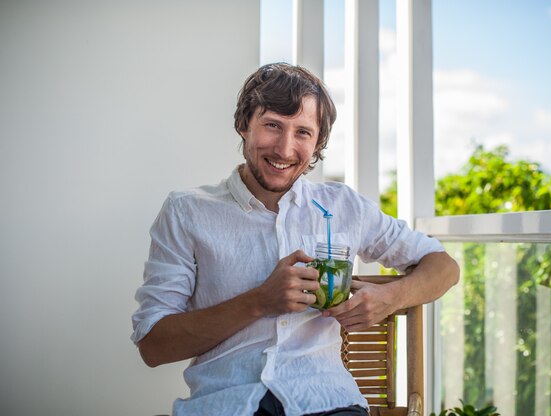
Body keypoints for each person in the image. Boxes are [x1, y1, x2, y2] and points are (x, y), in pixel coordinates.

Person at [131, 62, 460, 416]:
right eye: (272, 125)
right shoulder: (186, 212)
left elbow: (443, 267)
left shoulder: (343, 206)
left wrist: (391, 297)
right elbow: (154, 345)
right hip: (226, 405)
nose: (285, 149)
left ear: (318, 141)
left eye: (303, 132)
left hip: (329, 400)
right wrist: (260, 301)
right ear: (244, 126)